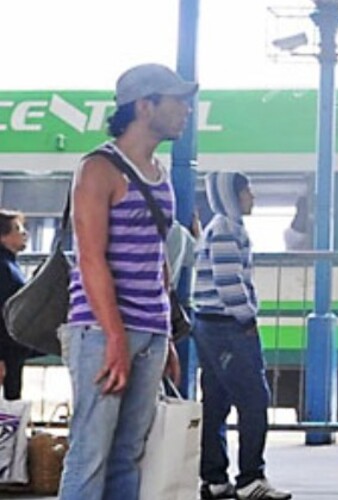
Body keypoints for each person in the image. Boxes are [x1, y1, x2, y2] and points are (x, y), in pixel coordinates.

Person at [58, 63, 194, 499]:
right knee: (90, 454)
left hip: (150, 331)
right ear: (144, 105)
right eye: (177, 100)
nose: (186, 110)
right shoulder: (98, 169)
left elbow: (159, 257)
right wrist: (115, 337)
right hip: (101, 331)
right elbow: (90, 259)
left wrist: (166, 332)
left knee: (129, 455)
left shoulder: (161, 172)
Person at [193, 171, 291, 500]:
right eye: (248, 192)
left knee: (216, 402)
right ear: (232, 196)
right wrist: (247, 317)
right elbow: (228, 282)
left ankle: (214, 479)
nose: (253, 198)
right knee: (254, 400)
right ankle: (251, 478)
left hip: (210, 325)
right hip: (227, 326)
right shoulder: (225, 230)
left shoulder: (221, 228)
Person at [0, 209, 32, 400]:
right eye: (18, 229)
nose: (24, 233)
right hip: (6, 347)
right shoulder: (3, 267)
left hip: (12, 346)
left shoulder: (10, 264)